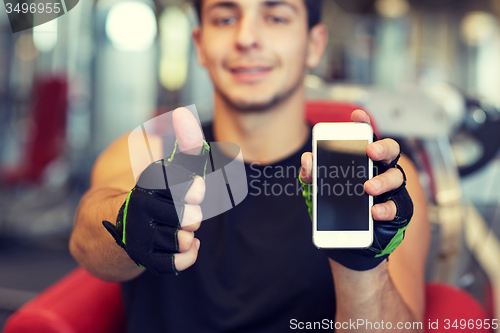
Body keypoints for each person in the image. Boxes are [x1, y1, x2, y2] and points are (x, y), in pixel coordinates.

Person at [69, 0, 430, 331]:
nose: (246, 38)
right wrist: (132, 219)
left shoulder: (379, 184)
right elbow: (86, 242)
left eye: (275, 17)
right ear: (200, 44)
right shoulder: (154, 147)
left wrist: (363, 268)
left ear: (314, 44)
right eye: (225, 18)